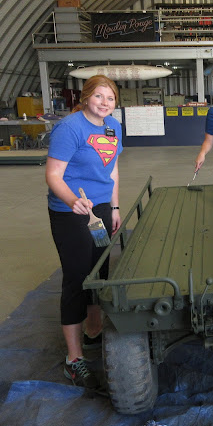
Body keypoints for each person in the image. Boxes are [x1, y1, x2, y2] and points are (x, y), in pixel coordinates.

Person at [45, 74, 123, 392]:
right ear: (86, 97)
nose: (104, 103)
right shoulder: (70, 128)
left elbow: (112, 167)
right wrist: (72, 201)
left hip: (100, 210)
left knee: (99, 269)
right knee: (77, 279)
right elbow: (53, 175)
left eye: (110, 98)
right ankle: (74, 358)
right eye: (99, 96)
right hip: (71, 214)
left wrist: (114, 207)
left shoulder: (113, 127)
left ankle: (93, 331)